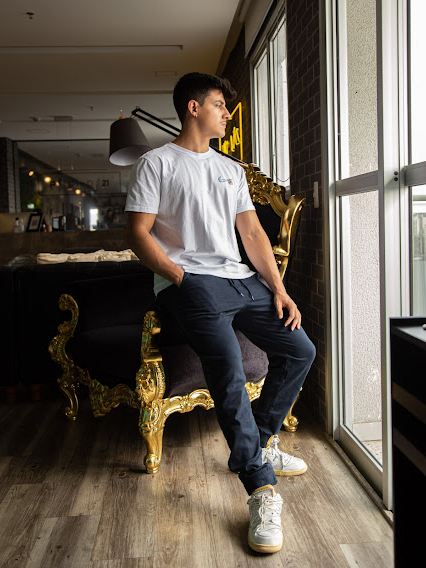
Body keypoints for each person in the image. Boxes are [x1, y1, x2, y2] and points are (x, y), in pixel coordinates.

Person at [125, 72, 316, 554]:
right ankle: (260, 488)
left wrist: (279, 289)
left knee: (300, 350)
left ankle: (262, 440)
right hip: (190, 283)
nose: (227, 114)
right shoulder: (156, 163)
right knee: (228, 371)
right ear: (193, 108)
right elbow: (138, 233)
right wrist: (180, 276)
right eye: (219, 105)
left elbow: (252, 233)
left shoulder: (230, 168)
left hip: (241, 279)